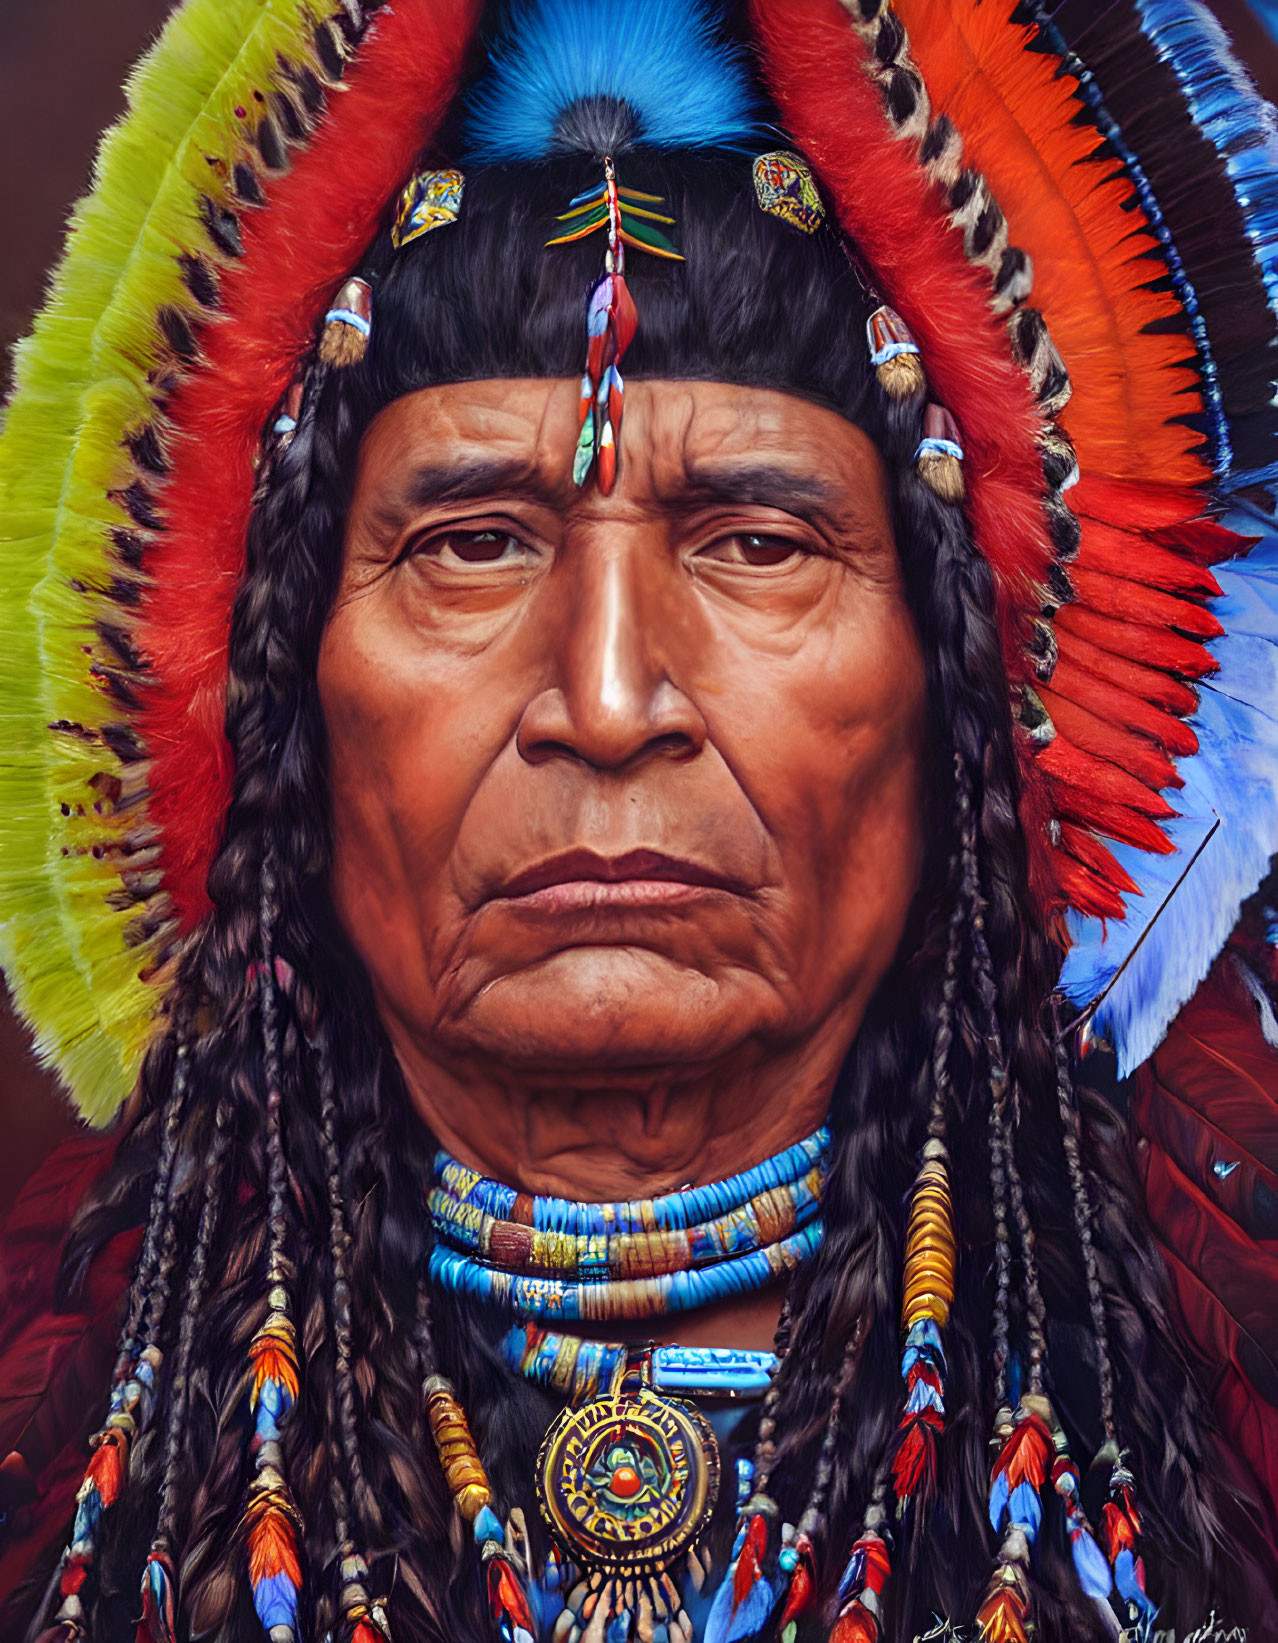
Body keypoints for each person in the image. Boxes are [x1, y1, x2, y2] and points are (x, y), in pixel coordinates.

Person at [1, 1, 1277, 1640]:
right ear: (273, 696)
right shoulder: (70, 1444)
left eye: (757, 542)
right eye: (470, 542)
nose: (607, 705)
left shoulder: (1202, 1397)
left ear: (969, 693)